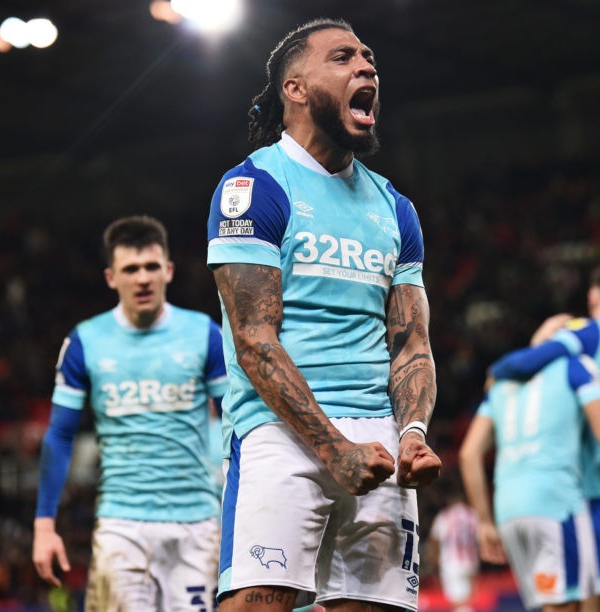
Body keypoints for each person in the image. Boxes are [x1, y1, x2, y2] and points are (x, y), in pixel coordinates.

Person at [206, 17, 442, 612]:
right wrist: (333, 448)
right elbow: (255, 339)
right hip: (280, 434)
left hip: (378, 440)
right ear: (295, 89)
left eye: (369, 59)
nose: (367, 67)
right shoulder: (255, 186)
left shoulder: (396, 208)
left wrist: (412, 434)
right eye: (342, 58)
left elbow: (412, 344)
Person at [32, 215, 228, 611]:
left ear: (168, 270)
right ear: (111, 277)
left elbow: (235, 426)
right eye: (131, 269)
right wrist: (44, 524)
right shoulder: (85, 341)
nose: (143, 279)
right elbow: (60, 436)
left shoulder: (204, 333)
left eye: (152, 267)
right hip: (122, 527)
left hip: (198, 526)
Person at [489, 260, 600, 611]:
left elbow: (522, 364)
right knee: (592, 596)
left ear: (593, 296)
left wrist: (532, 345)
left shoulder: (592, 333)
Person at [459, 355, 600, 612]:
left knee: (553, 601)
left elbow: (468, 454)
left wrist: (484, 521)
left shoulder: (502, 384)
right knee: (568, 603)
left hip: (509, 511)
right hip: (555, 505)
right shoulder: (571, 366)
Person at [424, 485, 479, 612]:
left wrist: (433, 561)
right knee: (466, 600)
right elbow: (480, 538)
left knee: (457, 603)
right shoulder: (472, 515)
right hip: (471, 561)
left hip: (451, 562)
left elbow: (435, 541)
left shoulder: (444, 516)